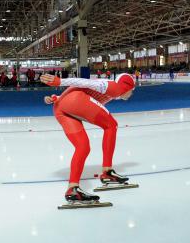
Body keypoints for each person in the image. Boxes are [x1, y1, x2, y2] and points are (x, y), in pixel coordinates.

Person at [40, 72, 136, 206]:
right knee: (111, 125)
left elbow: (80, 90)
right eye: (132, 90)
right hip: (75, 100)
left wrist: (57, 97)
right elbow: (85, 82)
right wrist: (60, 81)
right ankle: (107, 172)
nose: (131, 94)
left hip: (60, 108)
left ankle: (73, 189)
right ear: (128, 87)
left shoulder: (110, 93)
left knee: (83, 147)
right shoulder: (114, 87)